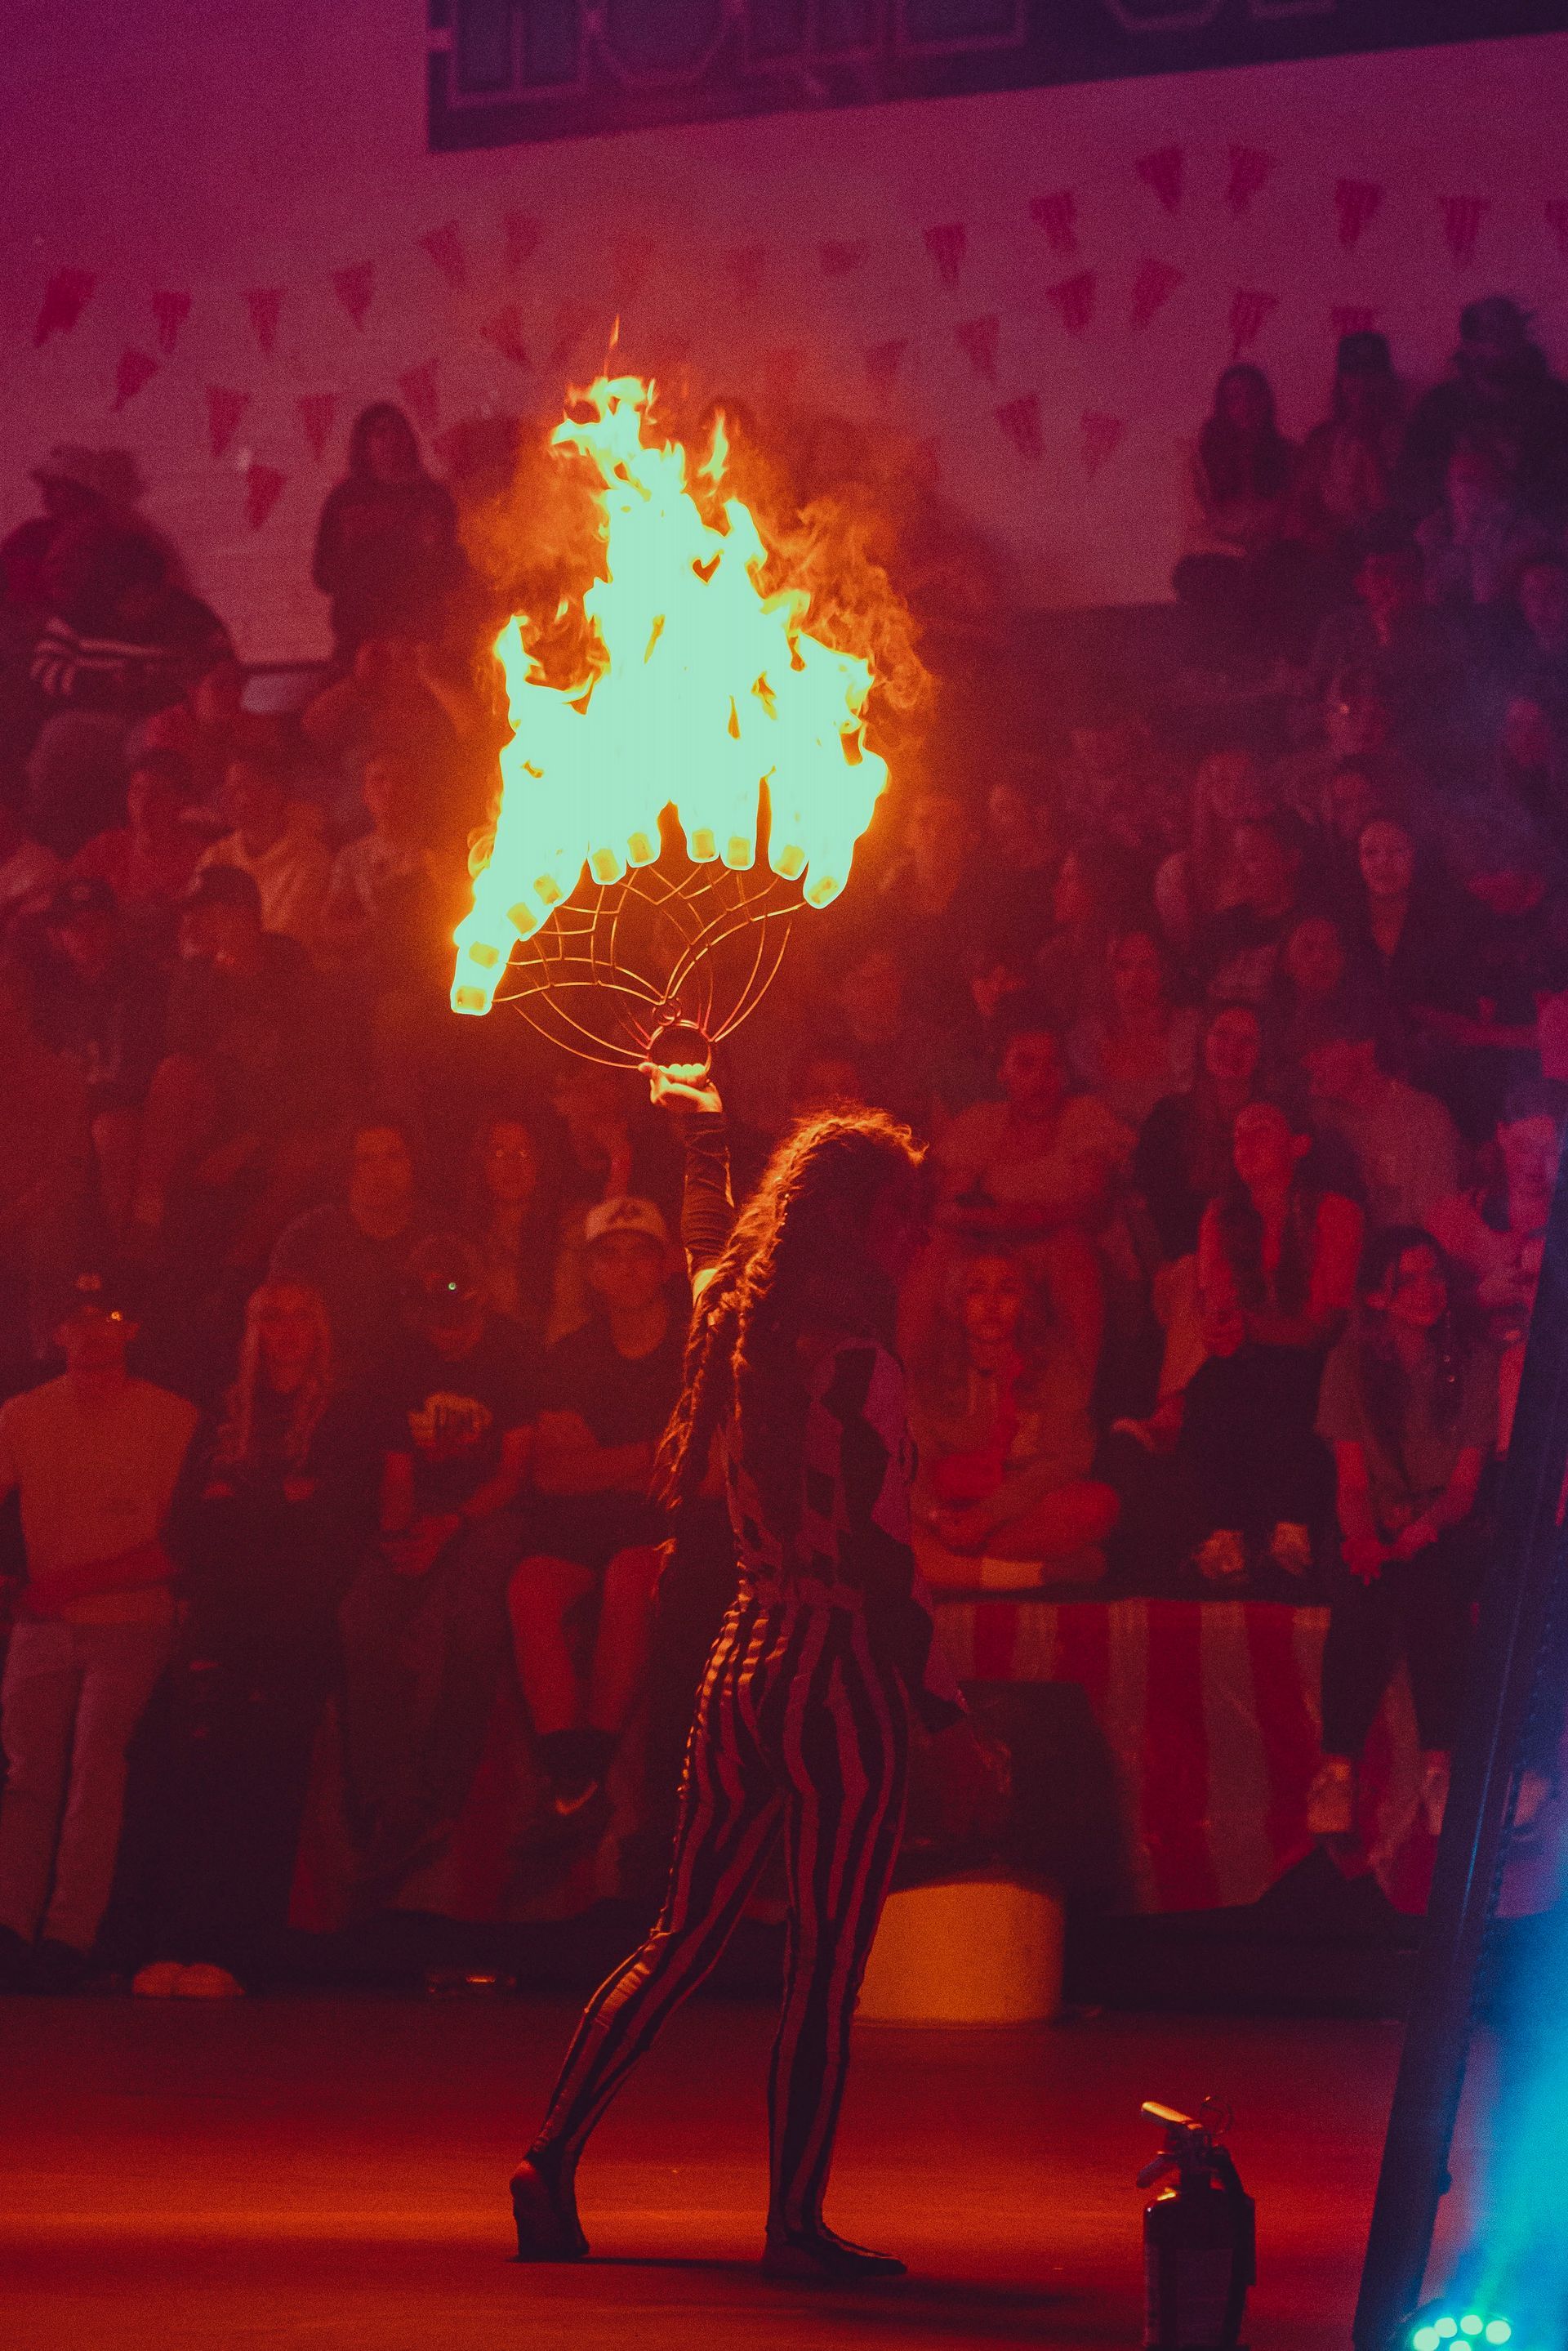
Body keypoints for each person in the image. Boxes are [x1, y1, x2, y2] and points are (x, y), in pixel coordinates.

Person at [510, 1077, 983, 2280]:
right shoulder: (860, 1363)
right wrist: (948, 1716)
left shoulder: (735, 1315)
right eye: (902, 1215)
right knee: (824, 1963)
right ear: (859, 1222)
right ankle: (794, 2225)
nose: (915, 1236)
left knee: (681, 1935)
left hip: (744, 1655)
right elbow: (882, 1561)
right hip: (840, 1677)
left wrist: (703, 1127)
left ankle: (552, 2150)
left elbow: (713, 1234)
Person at [130, 1280, 370, 1996]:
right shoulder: (226, 1417)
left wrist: (252, 1509)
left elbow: (336, 1530)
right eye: (272, 1317)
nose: (286, 1331)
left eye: (300, 1317)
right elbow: (187, 1527)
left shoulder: (344, 1418)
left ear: (320, 1328)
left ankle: (243, 1951)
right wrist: (273, 1508)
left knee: (265, 1785)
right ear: (252, 1329)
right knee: (199, 1783)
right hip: (219, 1622)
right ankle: (188, 1939)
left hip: (294, 1628)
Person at [0, 1269, 198, 1992]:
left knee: (94, 1771)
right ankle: (12, 1926)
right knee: (27, 1777)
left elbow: (176, 1544)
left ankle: (69, 1934)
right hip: (45, 1625)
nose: (92, 1332)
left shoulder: (171, 1417)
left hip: (130, 1620)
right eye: (78, 1319)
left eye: (108, 1316)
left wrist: (68, 1583)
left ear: (132, 1329)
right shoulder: (22, 1416)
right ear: (56, 1332)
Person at [338, 1234, 534, 1890]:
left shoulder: (512, 1351)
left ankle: (440, 1797)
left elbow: (513, 1473)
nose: (449, 1338)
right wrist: (401, 1544)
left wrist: (451, 1527)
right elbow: (398, 1472)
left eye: (459, 1322)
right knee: (363, 1619)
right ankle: (387, 1798)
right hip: (423, 1502)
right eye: (436, 1325)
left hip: (489, 1507)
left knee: (475, 1624)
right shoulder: (401, 1359)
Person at [1308, 1230, 1499, 1839]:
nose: (1427, 1291)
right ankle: (1338, 1769)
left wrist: (1424, 1528)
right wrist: (1363, 1538)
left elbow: (1465, 1487)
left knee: (1431, 1592)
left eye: (1434, 1276)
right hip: (1376, 1518)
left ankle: (1440, 1768)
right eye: (1408, 1280)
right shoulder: (1348, 1364)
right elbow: (1351, 1484)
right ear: (1376, 1296)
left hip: (1444, 1522)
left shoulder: (1473, 1363)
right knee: (1361, 1598)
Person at [507, 1198, 684, 1819]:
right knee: (530, 1585)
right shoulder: (572, 1356)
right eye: (610, 1255)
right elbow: (552, 1476)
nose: (627, 1269)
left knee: (631, 1576)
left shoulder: (698, 1348)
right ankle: (571, 1774)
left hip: (665, 1529)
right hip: (584, 1526)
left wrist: (603, 1459)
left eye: (641, 1254)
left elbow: (695, 1469)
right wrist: (645, 1454)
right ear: (591, 1272)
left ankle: (593, 1762)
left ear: (667, 1265)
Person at [1180, 1100, 1362, 1584]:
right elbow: (1217, 1302)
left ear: (1297, 1146)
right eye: (1237, 1135)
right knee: (1208, 1390)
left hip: (1318, 1356)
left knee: (1290, 1379)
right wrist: (1222, 1326)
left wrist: (1253, 1328)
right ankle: (1225, 1536)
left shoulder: (1335, 1211)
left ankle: (1293, 1530)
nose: (1245, 1144)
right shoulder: (1220, 1214)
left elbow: (1328, 1323)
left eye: (1260, 1131)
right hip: (1251, 1351)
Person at [907, 1247, 1117, 1589]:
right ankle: (1030, 1575)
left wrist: (990, 1515)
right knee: (882, 1522)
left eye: (1007, 1290)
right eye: (976, 1290)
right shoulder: (928, 1372)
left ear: (1027, 1303)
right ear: (957, 1304)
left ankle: (949, 1571)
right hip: (943, 1517)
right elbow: (913, 1461)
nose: (991, 1305)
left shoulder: (1057, 1366)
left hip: (1018, 1516)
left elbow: (1068, 1460)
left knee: (1096, 1505)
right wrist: (938, 1517)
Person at [1427, 1081, 1566, 1453]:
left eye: (1548, 1151)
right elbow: (1408, 1306)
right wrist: (1478, 1297)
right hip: (1464, 1391)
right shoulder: (1454, 1217)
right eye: (1523, 1147)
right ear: (1501, 1135)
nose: (1533, 1165)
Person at [34, 877, 168, 1236]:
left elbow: (134, 1077)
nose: (81, 934)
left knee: (110, 1131)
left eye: (92, 923)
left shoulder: (142, 982)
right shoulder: (54, 989)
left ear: (115, 926)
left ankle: (120, 1246)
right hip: (68, 1106)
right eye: (70, 926)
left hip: (125, 1106)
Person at [269, 1116, 433, 1390]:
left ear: (413, 1165)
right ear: (346, 1171)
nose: (380, 1171)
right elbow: (277, 1328)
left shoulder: (442, 1237)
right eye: (366, 1159)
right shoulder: (308, 1237)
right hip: (329, 1392)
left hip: (426, 1390)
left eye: (393, 1157)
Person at [1394, 297, 1568, 523]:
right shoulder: (1440, 407)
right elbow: (1412, 486)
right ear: (1469, 346)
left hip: (1540, 537)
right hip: (1460, 540)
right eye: (1494, 337)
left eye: (1513, 334)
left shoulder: (1554, 402)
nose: (1508, 346)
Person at [311, 404, 461, 664]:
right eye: (380, 433)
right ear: (364, 443)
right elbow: (323, 576)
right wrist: (353, 547)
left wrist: (430, 545)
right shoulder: (345, 500)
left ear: (409, 439)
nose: (391, 441)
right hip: (360, 638)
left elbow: (454, 573)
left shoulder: (433, 498)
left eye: (398, 432)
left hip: (420, 635)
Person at [1174, 364, 1298, 671]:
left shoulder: (1288, 454)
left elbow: (1294, 515)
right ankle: (1221, 672)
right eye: (1234, 399)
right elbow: (1197, 525)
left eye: (1253, 397)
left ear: (1267, 402)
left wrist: (1263, 550)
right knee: (1209, 577)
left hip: (1271, 552)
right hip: (1216, 554)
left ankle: (1275, 669)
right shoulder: (1200, 455)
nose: (1245, 407)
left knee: (1287, 569)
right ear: (1222, 406)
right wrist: (1242, 554)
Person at [1303, 1008, 1461, 1233]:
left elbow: (1436, 1220)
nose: (1311, 1065)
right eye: (1308, 1057)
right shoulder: (1323, 1118)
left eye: (1320, 1052)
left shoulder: (1421, 1116)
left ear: (1365, 1049)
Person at [1134, 1002, 1265, 1266]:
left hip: (1260, 1258)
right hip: (1188, 1261)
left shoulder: (1275, 1120)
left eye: (1246, 1041)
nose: (1231, 1049)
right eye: (1222, 1035)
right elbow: (1163, 1210)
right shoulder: (1168, 1118)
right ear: (1203, 1041)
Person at [194, 753, 332, 952]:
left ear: (274, 793)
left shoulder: (310, 857)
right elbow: (194, 929)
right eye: (227, 788)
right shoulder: (217, 855)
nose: (227, 798)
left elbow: (290, 936)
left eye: (240, 788)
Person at [1067, 926, 1200, 1131]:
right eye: (1123, 966)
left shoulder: (1190, 1029)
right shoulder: (1085, 1039)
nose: (1135, 977)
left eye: (1147, 965)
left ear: (1163, 972)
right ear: (1109, 974)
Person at [1288, 331, 1404, 562]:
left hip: (1370, 543)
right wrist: (1313, 531)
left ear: (1385, 380)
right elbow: (1302, 497)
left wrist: (1370, 449)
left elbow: (1385, 510)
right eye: (1352, 374)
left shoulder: (1402, 436)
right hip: (1323, 538)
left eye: (1370, 374)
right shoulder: (1322, 437)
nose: (1361, 383)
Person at [69, 747, 202, 939]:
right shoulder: (105, 848)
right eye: (137, 791)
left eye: (157, 794)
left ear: (182, 800)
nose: (144, 804)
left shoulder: (200, 858)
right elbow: (66, 899)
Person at [463, 1113, 557, 1343]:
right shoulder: (465, 1242)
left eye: (523, 1154)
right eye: (499, 1154)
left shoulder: (568, 1233)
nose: (511, 1165)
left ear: (539, 1163)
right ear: (482, 1164)